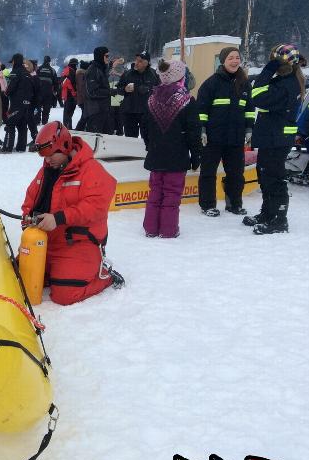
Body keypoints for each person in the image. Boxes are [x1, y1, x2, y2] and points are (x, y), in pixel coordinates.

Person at [22, 121, 124, 305]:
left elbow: (96, 206)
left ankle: (104, 276)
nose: (47, 160)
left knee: (64, 295)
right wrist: (27, 217)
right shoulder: (48, 169)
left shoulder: (91, 170)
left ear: (66, 147)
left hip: (77, 242)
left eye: (51, 155)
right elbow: (30, 197)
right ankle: (54, 273)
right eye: (44, 156)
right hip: (46, 241)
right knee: (19, 277)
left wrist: (60, 218)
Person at [244, 44, 305, 234]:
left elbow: (257, 96)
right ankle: (267, 213)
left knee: (274, 178)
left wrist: (267, 70)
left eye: (273, 61)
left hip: (277, 138)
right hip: (272, 137)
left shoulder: (287, 84)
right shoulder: (285, 80)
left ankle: (279, 219)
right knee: (265, 175)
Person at [142, 59, 202, 238]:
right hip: (177, 156)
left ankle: (151, 228)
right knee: (172, 194)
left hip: (155, 155)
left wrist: (150, 145)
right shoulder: (187, 100)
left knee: (155, 192)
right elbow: (193, 131)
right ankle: (168, 230)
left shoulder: (151, 98)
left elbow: (144, 128)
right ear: (180, 76)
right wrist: (196, 155)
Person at [196, 46, 255, 217]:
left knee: (236, 174)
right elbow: (201, 110)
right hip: (213, 138)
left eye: (237, 57)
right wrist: (202, 129)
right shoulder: (211, 83)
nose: (235, 61)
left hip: (236, 138)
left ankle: (234, 204)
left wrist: (249, 128)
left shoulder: (244, 84)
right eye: (231, 58)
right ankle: (207, 205)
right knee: (208, 173)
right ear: (223, 61)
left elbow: (250, 109)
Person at [117, 51, 160, 139]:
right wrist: (124, 89)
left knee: (147, 139)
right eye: (136, 60)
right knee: (130, 139)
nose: (136, 63)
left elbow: (159, 91)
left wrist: (142, 88)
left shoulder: (154, 74)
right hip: (129, 112)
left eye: (140, 61)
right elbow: (118, 89)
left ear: (146, 62)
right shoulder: (127, 74)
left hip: (147, 112)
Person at [0, 53, 35, 153]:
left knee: (10, 123)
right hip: (27, 103)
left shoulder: (15, 72)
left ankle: (7, 147)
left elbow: (11, 87)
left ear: (15, 61)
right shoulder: (27, 73)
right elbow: (33, 89)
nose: (12, 64)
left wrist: (6, 93)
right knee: (22, 125)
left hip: (17, 103)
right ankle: (21, 147)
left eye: (12, 62)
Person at [84, 47, 117, 134]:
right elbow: (92, 92)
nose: (108, 58)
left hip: (104, 111)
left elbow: (104, 78)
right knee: (95, 142)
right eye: (106, 56)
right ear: (100, 56)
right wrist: (111, 91)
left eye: (108, 56)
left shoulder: (101, 68)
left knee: (106, 141)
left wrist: (112, 65)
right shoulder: (92, 70)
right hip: (95, 113)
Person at [36, 55, 59, 124]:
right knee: (47, 107)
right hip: (48, 92)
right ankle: (44, 121)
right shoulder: (52, 70)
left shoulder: (38, 69)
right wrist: (55, 90)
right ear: (49, 61)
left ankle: (37, 120)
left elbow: (35, 79)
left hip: (39, 91)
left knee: (38, 106)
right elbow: (56, 82)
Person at [61, 58, 79, 129]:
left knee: (69, 112)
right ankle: (67, 127)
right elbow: (67, 82)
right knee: (68, 112)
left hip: (68, 94)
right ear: (74, 64)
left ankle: (68, 126)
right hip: (69, 94)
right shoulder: (70, 70)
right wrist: (74, 92)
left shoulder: (68, 69)